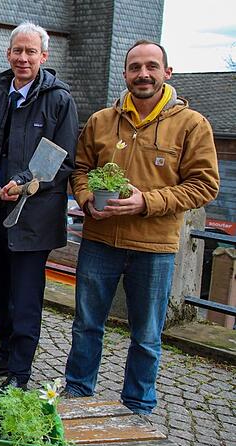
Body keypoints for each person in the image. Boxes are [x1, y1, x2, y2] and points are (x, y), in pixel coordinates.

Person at [63, 40, 219, 414]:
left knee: (146, 336)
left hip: (153, 247)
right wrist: (85, 199)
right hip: (100, 240)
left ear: (168, 73)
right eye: (135, 67)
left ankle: (138, 407)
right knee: (86, 325)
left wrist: (145, 201)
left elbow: (204, 185)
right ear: (126, 74)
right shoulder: (102, 121)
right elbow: (80, 169)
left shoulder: (191, 124)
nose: (143, 74)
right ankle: (77, 394)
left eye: (151, 66)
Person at [0, 22, 77, 390]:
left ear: (44, 57)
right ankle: (4, 354)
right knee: (0, 289)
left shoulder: (59, 99)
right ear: (8, 54)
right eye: (18, 50)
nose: (23, 58)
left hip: (34, 217)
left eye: (31, 52)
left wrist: (27, 180)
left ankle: (20, 371)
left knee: (26, 297)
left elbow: (62, 161)